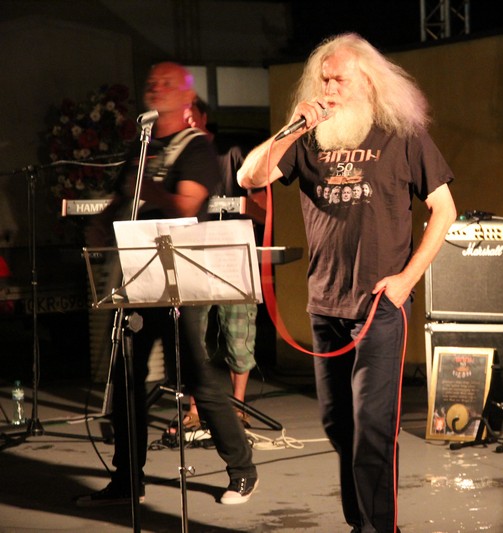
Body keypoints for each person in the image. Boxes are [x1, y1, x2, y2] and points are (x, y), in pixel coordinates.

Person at [237, 33, 457, 533]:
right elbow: (250, 178)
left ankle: (378, 528)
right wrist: (292, 129)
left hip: (380, 305)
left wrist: (406, 280)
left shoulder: (402, 134)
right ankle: (361, 522)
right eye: (324, 79)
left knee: (373, 429)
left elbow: (444, 210)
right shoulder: (309, 138)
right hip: (325, 305)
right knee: (339, 425)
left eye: (340, 79)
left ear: (369, 83)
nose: (329, 88)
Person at [77, 62, 258, 507]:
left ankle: (242, 470)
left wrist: (152, 192)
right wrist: (101, 224)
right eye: (151, 82)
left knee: (197, 378)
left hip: (177, 282)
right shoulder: (142, 146)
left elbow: (187, 207)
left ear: (186, 97)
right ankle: (127, 481)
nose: (155, 88)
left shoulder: (195, 148)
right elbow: (123, 198)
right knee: (128, 381)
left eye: (166, 83)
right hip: (137, 277)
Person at [181, 97, 264, 430]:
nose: (186, 125)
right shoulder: (178, 161)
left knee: (239, 334)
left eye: (190, 118)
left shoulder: (232, 155)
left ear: (203, 118)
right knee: (192, 337)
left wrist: (241, 205)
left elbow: (264, 209)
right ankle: (195, 409)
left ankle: (238, 407)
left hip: (233, 256)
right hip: (191, 256)